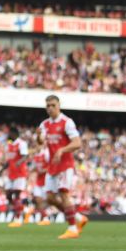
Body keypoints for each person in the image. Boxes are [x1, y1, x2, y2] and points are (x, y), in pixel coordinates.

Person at [39, 95, 88, 240]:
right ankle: (78, 217)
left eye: (53, 105)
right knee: (50, 198)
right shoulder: (44, 125)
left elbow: (77, 143)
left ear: (59, 106)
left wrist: (62, 150)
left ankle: (72, 228)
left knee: (64, 194)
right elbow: (40, 141)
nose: (50, 108)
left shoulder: (67, 122)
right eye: (48, 106)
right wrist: (37, 137)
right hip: (52, 166)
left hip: (65, 164)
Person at [5, 127, 30, 228]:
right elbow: (9, 160)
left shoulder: (21, 143)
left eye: (10, 133)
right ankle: (24, 210)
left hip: (20, 174)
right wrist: (1, 169)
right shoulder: (10, 145)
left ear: (13, 133)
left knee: (17, 195)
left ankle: (18, 219)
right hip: (11, 174)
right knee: (8, 194)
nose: (8, 135)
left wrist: (19, 162)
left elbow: (25, 156)